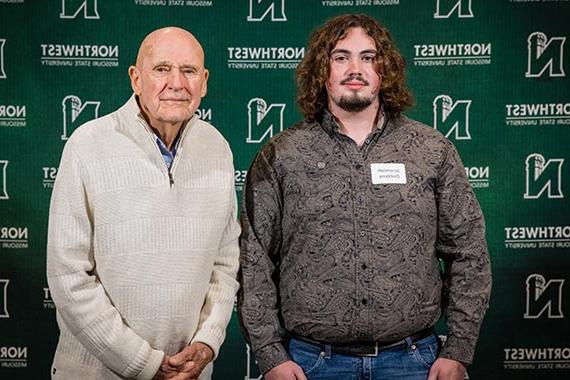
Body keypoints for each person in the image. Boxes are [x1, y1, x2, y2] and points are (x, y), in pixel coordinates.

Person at [238, 14, 491, 380]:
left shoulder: (432, 150)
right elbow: (254, 261)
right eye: (341, 57)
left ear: (384, 70)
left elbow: (468, 252)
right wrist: (270, 355)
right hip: (311, 365)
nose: (355, 69)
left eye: (368, 57)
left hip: (415, 363)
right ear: (321, 70)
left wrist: (459, 350)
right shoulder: (281, 156)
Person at [46, 27, 240, 380]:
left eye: (189, 71)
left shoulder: (217, 148)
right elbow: (68, 276)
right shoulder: (87, 145)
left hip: (190, 373)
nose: (177, 83)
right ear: (136, 78)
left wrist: (207, 343)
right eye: (162, 69)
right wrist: (145, 363)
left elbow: (225, 263)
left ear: (205, 81)